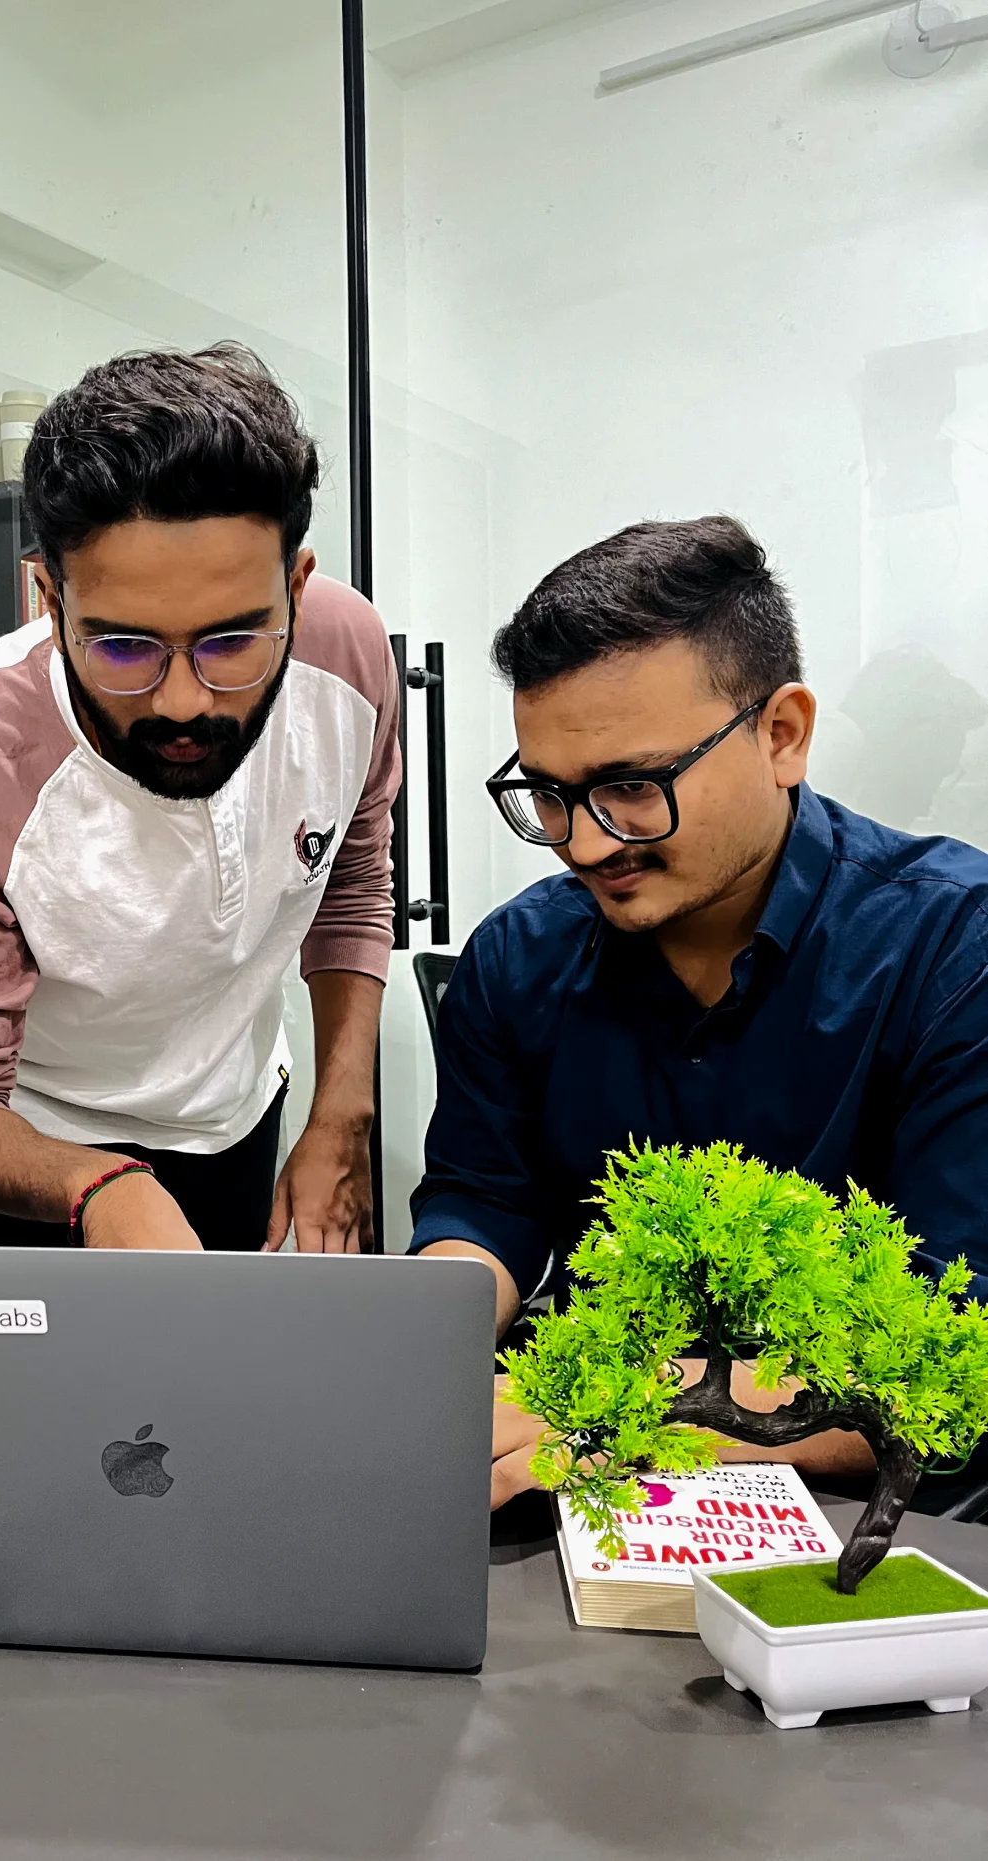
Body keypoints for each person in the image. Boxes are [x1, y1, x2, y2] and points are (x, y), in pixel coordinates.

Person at [407, 516, 988, 1504]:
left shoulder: (950, 951)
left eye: (632, 787)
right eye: (548, 793)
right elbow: (486, 1200)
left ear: (782, 735)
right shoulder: (519, 957)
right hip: (575, 1486)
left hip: (865, 1517)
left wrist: (612, 1405)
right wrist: (417, 1344)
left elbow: (943, 1366)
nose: (585, 846)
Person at [0, 345, 399, 1252]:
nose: (183, 700)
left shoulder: (346, 660)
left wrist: (340, 1111)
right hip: (31, 1155)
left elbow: (349, 877)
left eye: (233, 640)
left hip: (236, 1113)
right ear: (47, 596)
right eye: (123, 647)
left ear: (297, 588)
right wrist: (97, 1185)